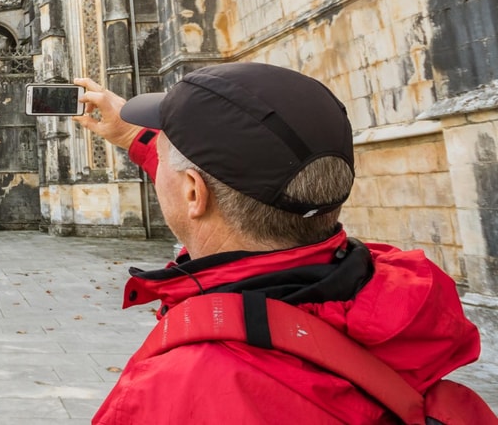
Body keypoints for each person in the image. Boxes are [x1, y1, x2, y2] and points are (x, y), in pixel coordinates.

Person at [72, 64, 483, 424]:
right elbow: (224, 186)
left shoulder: (172, 393)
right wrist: (131, 136)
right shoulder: (393, 304)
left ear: (193, 193)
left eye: (165, 158)